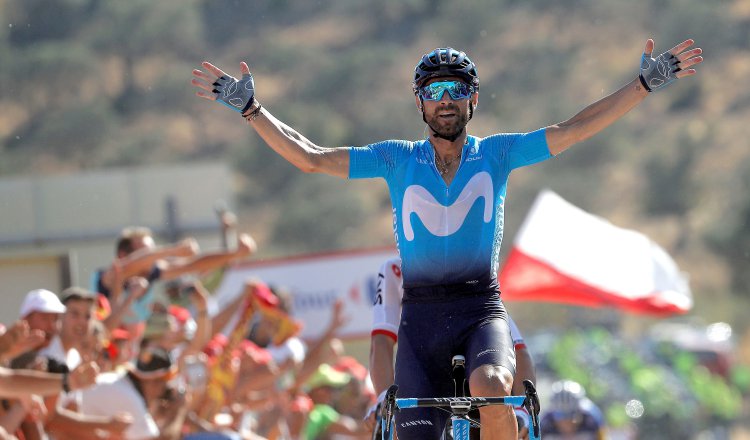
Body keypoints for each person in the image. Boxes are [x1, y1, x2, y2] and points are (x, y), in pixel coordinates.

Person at [192, 39, 703, 440]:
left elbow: (573, 129)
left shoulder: (498, 154)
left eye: (456, 90)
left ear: (473, 98)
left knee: (493, 389)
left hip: (480, 309)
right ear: (419, 102)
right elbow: (312, 157)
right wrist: (252, 110)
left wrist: (642, 84)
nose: (445, 101)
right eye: (433, 92)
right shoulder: (396, 158)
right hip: (421, 319)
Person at [367, 257, 536, 439]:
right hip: (424, 367)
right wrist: (383, 397)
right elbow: (381, 341)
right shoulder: (394, 269)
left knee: (493, 390)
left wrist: (521, 411)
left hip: (477, 369)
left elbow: (517, 348)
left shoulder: (466, 263)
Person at [540, 380, 605, 440]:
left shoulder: (592, 420)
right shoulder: (544, 423)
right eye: (562, 420)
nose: (567, 425)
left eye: (571, 419)